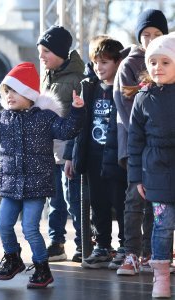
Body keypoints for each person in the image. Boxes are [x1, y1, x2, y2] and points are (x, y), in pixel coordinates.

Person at [0, 62, 85, 288]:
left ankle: (42, 267)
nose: (9, 96)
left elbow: (67, 130)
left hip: (36, 186)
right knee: (4, 224)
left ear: (29, 93)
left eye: (15, 91)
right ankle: (13, 257)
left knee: (30, 228)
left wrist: (76, 111)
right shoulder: (3, 119)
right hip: (11, 185)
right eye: (7, 91)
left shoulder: (45, 118)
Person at [113, 8, 169, 275]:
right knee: (135, 200)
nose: (150, 38)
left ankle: (151, 252)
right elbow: (128, 112)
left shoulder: (169, 61)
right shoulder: (129, 65)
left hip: (163, 154)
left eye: (156, 33)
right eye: (145, 34)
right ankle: (131, 252)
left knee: (157, 205)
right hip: (137, 148)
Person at [64, 37, 126, 269]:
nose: (99, 67)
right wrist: (71, 154)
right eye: (96, 62)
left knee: (120, 204)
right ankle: (102, 246)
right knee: (98, 204)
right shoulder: (88, 86)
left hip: (116, 158)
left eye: (105, 62)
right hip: (92, 156)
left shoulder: (123, 87)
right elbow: (76, 123)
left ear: (118, 62)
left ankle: (125, 246)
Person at [127, 33, 175, 299]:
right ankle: (161, 278)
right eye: (153, 62)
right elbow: (135, 140)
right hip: (156, 171)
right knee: (163, 224)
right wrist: (137, 178)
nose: (158, 67)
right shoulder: (143, 98)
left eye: (165, 62)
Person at [37, 25, 85, 262]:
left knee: (73, 201)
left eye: (46, 51)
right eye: (40, 51)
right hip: (49, 151)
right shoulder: (47, 76)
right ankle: (56, 242)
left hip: (68, 153)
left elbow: (78, 119)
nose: (42, 56)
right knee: (54, 203)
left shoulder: (77, 79)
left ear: (60, 52)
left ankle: (83, 242)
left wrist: (71, 153)